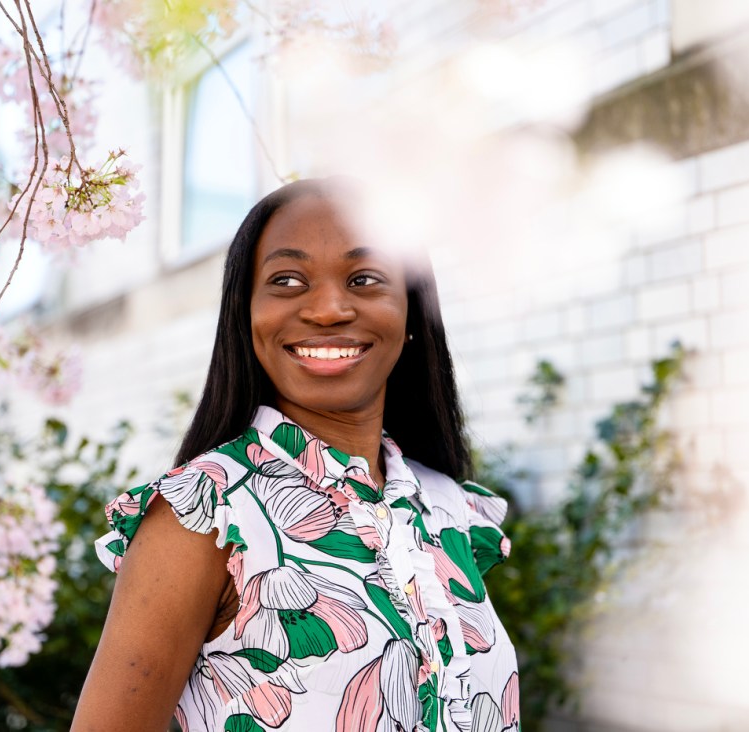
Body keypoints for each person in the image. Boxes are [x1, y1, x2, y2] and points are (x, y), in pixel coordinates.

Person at [72, 178, 519, 732]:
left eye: (365, 279)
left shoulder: (450, 508)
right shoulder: (205, 515)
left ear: (410, 315)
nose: (329, 309)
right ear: (246, 314)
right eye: (286, 280)